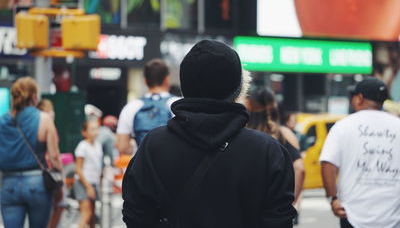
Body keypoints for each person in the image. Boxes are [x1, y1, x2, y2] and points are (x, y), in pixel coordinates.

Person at [122, 40, 296, 227]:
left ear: (184, 87)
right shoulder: (268, 151)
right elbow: (279, 220)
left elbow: (136, 214)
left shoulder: (152, 145)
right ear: (238, 88)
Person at [320, 77, 400, 228]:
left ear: (360, 98)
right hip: (394, 215)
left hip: (352, 214)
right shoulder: (398, 126)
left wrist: (333, 198)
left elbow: (328, 163)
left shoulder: (343, 126)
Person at [0, 77, 62, 228]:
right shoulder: (44, 119)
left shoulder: (2, 121)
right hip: (37, 184)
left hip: (9, 184)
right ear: (34, 97)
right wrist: (60, 184)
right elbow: (54, 156)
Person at [246, 88, 305, 216]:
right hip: (274, 206)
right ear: (275, 106)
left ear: (249, 105)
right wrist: (290, 202)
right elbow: (300, 168)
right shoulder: (283, 133)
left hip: (245, 204)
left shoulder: (242, 133)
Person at [116, 58, 178, 155]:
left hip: (141, 167)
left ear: (145, 81)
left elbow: (122, 146)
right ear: (167, 80)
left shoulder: (131, 107)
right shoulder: (177, 105)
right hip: (171, 166)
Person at [37, 99, 66, 228]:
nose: (52, 112)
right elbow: (53, 154)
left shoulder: (35, 125)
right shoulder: (49, 125)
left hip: (39, 172)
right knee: (59, 204)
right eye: (49, 109)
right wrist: (60, 171)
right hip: (51, 172)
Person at [74, 120, 103, 228]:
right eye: (92, 129)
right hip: (84, 183)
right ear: (84, 132)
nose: (95, 132)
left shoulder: (98, 145)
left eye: (97, 129)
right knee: (86, 213)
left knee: (92, 218)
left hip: (93, 182)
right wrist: (88, 187)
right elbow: (78, 169)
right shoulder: (82, 146)